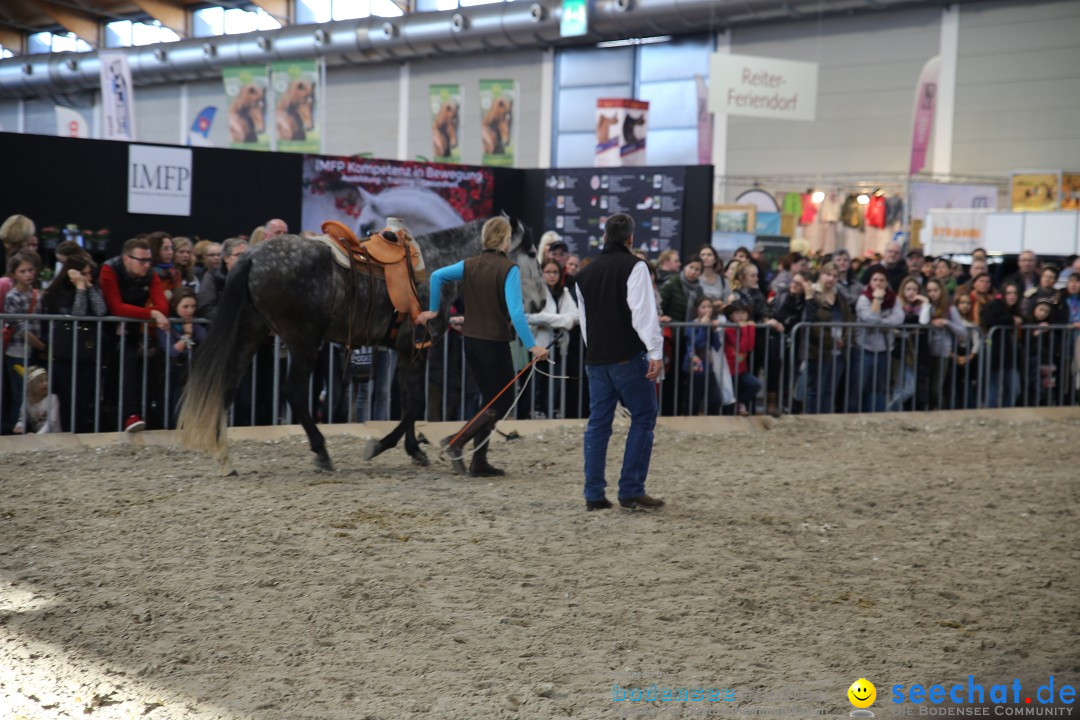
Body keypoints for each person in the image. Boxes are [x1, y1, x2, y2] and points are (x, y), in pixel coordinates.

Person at [417, 216, 548, 477]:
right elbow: (516, 312)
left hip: (471, 342)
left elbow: (437, 276)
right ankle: (456, 442)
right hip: (494, 343)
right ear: (505, 240)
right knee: (502, 402)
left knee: (489, 402)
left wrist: (433, 309)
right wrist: (533, 346)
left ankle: (479, 462)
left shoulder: (469, 264)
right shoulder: (508, 269)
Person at [572, 213, 664, 511]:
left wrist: (595, 350)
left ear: (604, 236)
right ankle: (631, 488)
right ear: (630, 238)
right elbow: (643, 314)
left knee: (598, 424)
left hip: (596, 358)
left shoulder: (584, 274)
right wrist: (656, 352)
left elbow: (585, 323)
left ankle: (593, 493)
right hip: (627, 356)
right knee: (644, 416)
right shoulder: (635, 266)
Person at [99, 237, 170, 432]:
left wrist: (151, 313)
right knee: (121, 369)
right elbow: (116, 307)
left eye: (149, 261)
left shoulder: (151, 274)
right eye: (142, 261)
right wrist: (151, 313)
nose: (147, 265)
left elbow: (163, 306)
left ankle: (141, 414)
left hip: (133, 332)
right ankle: (127, 415)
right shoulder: (109, 269)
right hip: (107, 333)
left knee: (151, 365)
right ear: (126, 259)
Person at [41, 255, 107, 433]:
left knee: (83, 402)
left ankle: (81, 433)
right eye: (84, 274)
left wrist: (89, 287)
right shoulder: (59, 292)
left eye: (89, 274)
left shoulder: (90, 287)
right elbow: (77, 313)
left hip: (86, 356)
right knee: (66, 402)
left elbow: (101, 311)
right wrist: (80, 287)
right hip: (65, 357)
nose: (88, 277)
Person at [525, 259, 578, 419]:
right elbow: (529, 316)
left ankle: (548, 415)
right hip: (538, 345)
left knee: (554, 386)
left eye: (555, 272)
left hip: (559, 347)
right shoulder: (534, 292)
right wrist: (561, 320)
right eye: (548, 272)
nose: (552, 275)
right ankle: (530, 414)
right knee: (535, 385)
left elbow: (575, 316)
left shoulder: (565, 292)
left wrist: (549, 319)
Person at [802, 261, 853, 414]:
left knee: (830, 390)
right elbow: (813, 324)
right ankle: (811, 418)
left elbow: (848, 319)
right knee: (815, 389)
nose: (831, 279)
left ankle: (825, 417)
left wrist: (845, 338)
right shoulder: (813, 296)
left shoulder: (840, 297)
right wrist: (831, 342)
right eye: (828, 275)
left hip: (838, 351)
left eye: (835, 276)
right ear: (821, 275)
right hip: (818, 350)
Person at [851, 266, 904, 412]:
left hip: (884, 349)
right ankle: (854, 415)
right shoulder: (864, 298)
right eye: (875, 280)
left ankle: (877, 415)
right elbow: (870, 319)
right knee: (859, 385)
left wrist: (881, 322)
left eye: (882, 280)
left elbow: (899, 318)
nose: (878, 283)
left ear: (887, 282)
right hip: (864, 349)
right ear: (869, 282)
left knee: (880, 386)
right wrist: (878, 299)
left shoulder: (894, 298)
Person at [3, 250, 45, 432]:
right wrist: (42, 346)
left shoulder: (37, 294)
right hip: (17, 353)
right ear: (13, 275)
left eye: (30, 270)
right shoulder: (12, 297)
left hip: (34, 352)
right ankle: (13, 430)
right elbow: (20, 329)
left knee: (33, 394)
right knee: (20, 395)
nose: (28, 274)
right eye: (23, 271)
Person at [158, 286, 207, 422]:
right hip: (168, 372)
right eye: (185, 306)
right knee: (168, 409)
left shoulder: (195, 324)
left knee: (182, 411)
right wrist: (187, 335)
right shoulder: (166, 323)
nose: (190, 311)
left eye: (193, 306)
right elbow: (172, 351)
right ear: (175, 306)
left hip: (188, 372)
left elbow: (206, 342)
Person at [919, 278, 966, 410]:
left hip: (942, 353)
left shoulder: (949, 309)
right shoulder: (924, 306)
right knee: (925, 387)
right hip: (925, 351)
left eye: (935, 290)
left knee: (935, 387)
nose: (932, 293)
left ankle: (939, 411)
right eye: (929, 290)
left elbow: (963, 331)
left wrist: (947, 323)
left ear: (941, 291)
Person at [981, 281, 1022, 408]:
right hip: (996, 355)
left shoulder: (1014, 309)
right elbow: (989, 320)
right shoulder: (994, 305)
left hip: (1010, 357)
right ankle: (991, 415)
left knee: (1014, 388)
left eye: (1015, 293)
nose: (1012, 296)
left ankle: (1006, 412)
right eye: (1009, 293)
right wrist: (1011, 320)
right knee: (994, 389)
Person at [681, 295, 723, 416]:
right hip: (694, 366)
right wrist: (703, 326)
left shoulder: (710, 324)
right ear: (697, 310)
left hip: (708, 366)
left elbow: (717, 345)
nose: (707, 310)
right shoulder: (691, 325)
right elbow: (697, 343)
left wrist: (714, 330)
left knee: (716, 398)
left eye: (709, 307)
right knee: (692, 401)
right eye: (703, 307)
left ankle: (711, 421)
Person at [724, 302, 761, 416]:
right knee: (731, 394)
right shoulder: (729, 329)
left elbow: (749, 347)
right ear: (731, 316)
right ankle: (733, 410)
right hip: (730, 369)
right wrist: (746, 329)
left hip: (741, 369)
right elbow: (741, 346)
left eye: (744, 313)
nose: (741, 316)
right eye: (737, 313)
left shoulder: (746, 327)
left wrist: (750, 329)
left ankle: (741, 403)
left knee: (756, 384)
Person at [197, 238, 248, 320]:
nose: (244, 259)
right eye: (239, 255)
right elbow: (206, 309)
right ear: (226, 258)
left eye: (247, 255)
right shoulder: (212, 277)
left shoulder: (251, 278)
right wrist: (232, 317)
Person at [12, 366, 60, 434]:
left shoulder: (53, 398)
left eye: (46, 380)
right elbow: (22, 419)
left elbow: (51, 423)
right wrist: (20, 425)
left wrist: (37, 435)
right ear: (33, 385)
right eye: (41, 381)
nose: (45, 383)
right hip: (38, 438)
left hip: (54, 437)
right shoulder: (27, 402)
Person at [659, 255, 703, 323]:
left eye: (697, 269)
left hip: (691, 330)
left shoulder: (699, 290)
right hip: (671, 328)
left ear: (700, 273)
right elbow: (660, 306)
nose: (693, 272)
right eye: (691, 267)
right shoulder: (671, 284)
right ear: (684, 267)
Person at [148, 232, 180, 300]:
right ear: (155, 250)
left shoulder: (175, 273)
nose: (170, 252)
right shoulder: (146, 273)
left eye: (171, 248)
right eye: (166, 249)